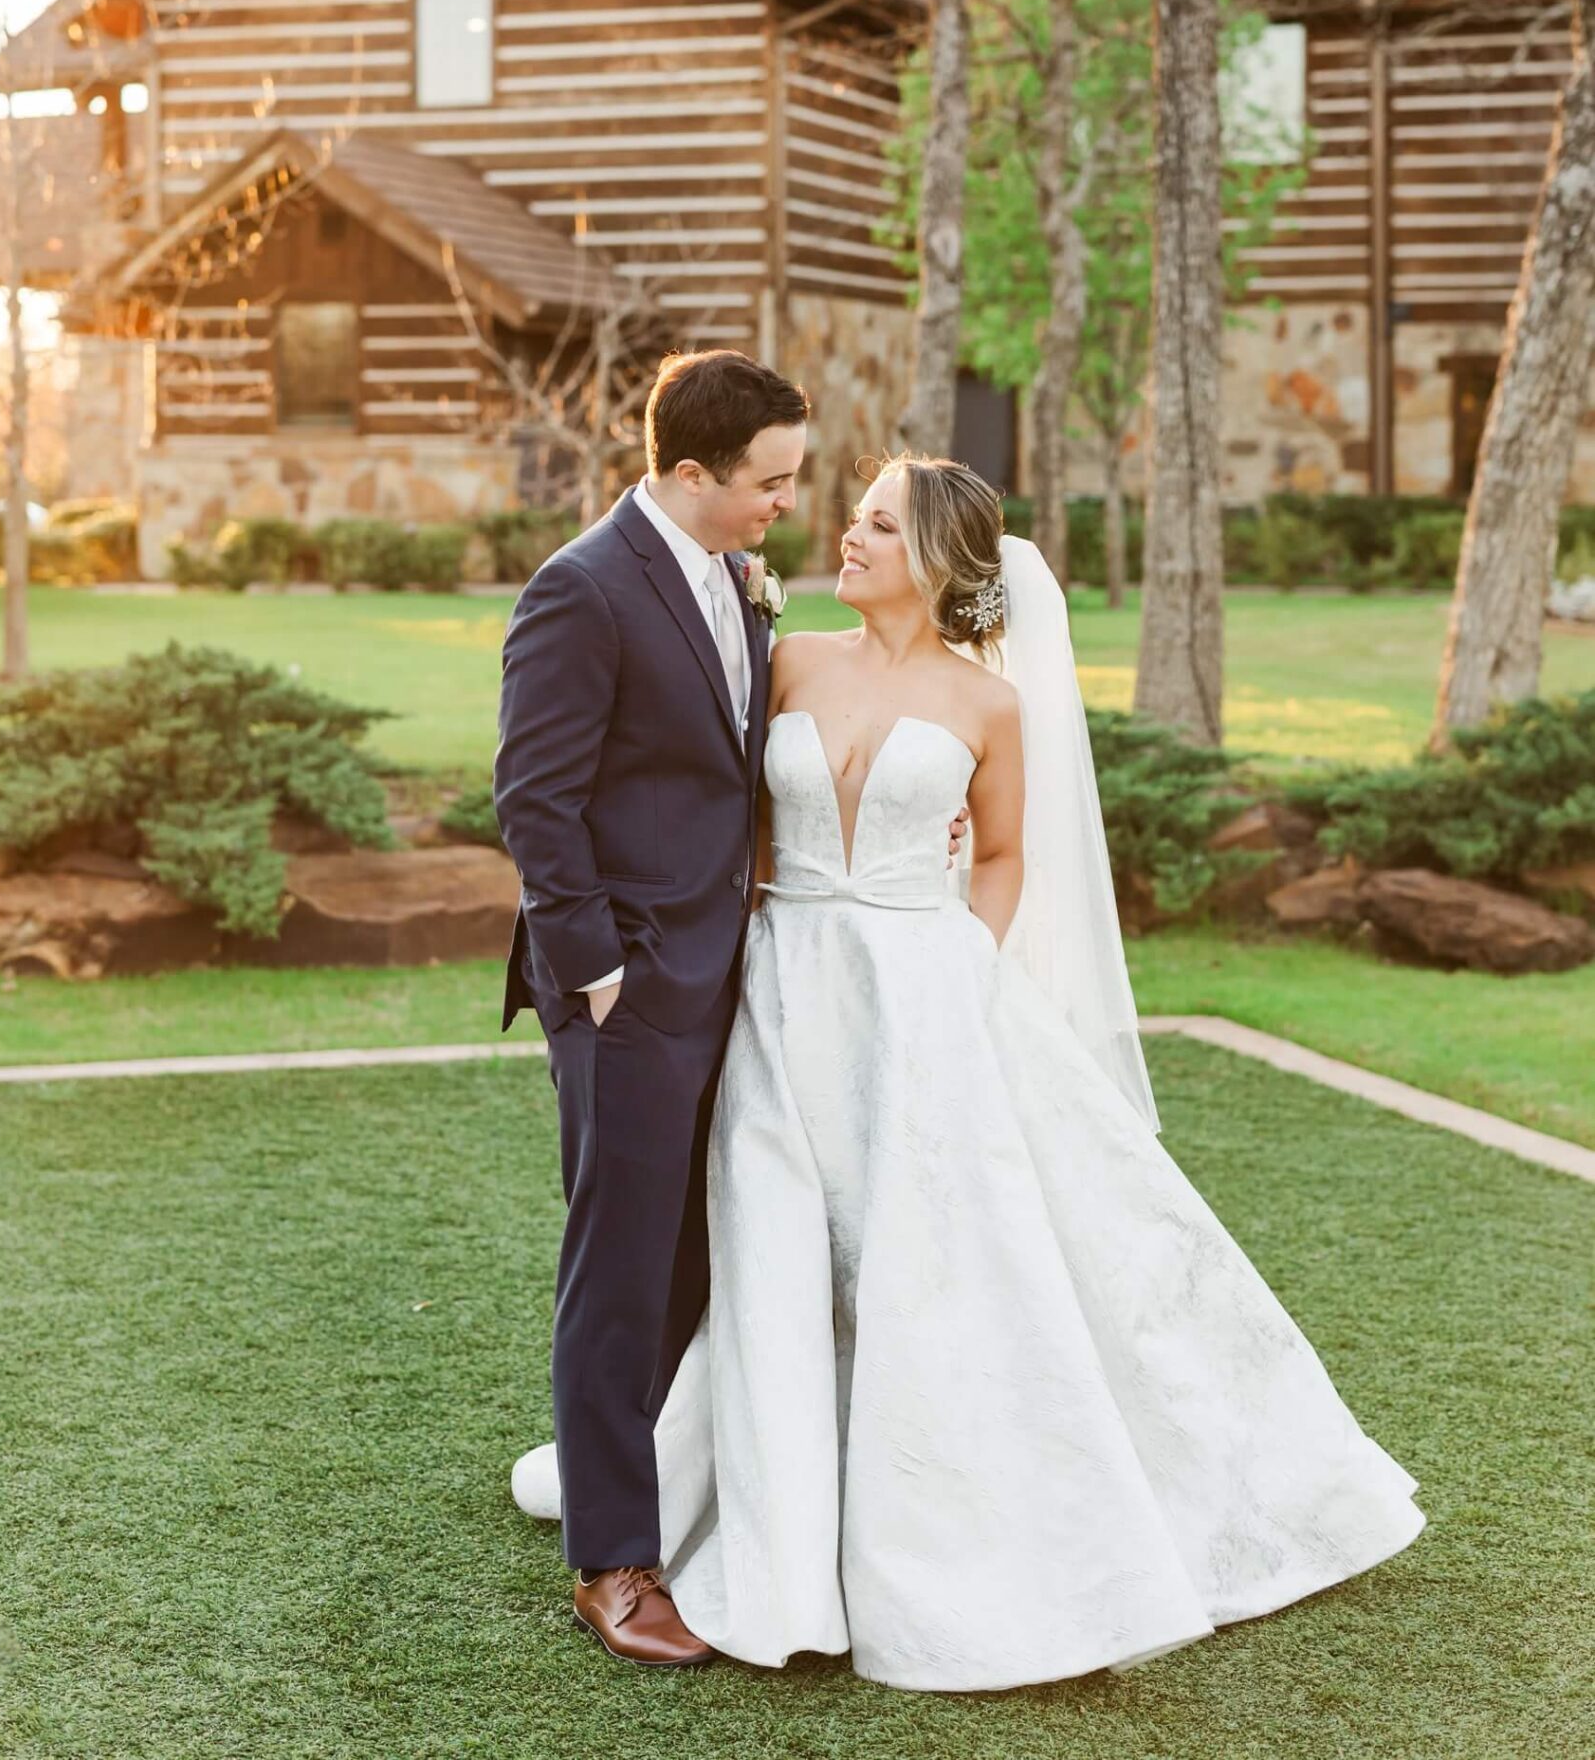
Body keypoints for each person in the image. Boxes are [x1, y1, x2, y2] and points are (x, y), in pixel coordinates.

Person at [511, 452, 1424, 1692]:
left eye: (878, 523)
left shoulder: (989, 706)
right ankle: (773, 1536)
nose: (847, 531)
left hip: (918, 993)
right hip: (776, 992)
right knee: (771, 1243)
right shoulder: (788, 654)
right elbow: (737, 823)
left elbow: (1000, 857)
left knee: (927, 1254)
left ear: (940, 560)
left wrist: (957, 966)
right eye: (852, 513)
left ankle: (935, 1528)